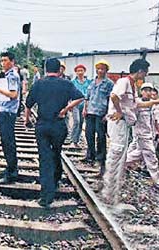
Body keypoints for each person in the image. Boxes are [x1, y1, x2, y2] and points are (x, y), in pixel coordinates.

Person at [101, 59, 159, 206]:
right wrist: (118, 111)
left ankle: (112, 190)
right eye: (146, 71)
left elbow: (138, 104)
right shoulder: (124, 82)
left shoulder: (132, 85)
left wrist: (157, 101)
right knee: (116, 153)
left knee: (122, 155)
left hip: (125, 125)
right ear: (141, 71)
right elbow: (114, 96)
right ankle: (108, 190)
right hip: (119, 122)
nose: (147, 74)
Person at [24, 58, 84, 208]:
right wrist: (65, 110)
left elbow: (28, 104)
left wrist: (27, 119)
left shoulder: (39, 84)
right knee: (56, 153)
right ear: (59, 70)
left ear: (46, 69)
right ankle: (56, 179)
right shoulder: (66, 84)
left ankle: (46, 196)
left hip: (43, 125)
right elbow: (80, 97)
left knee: (45, 158)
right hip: (59, 126)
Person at [0, 52, 20, 184]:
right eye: (2, 61)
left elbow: (13, 94)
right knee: (6, 142)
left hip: (8, 113)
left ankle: (12, 172)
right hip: (4, 111)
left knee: (8, 142)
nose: (3, 63)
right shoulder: (8, 75)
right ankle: (10, 168)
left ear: (12, 62)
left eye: (5, 60)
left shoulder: (12, 75)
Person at [125, 82, 159, 187]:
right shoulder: (137, 103)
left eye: (149, 90)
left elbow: (154, 119)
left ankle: (117, 166)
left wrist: (158, 131)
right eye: (145, 90)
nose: (147, 92)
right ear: (141, 92)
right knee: (152, 159)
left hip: (149, 135)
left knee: (137, 155)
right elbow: (132, 117)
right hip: (141, 135)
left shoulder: (152, 104)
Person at [82, 60, 114, 176]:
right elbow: (87, 97)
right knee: (88, 134)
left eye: (102, 69)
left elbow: (111, 100)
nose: (100, 71)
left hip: (101, 113)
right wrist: (85, 109)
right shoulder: (92, 82)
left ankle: (101, 159)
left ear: (106, 70)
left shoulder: (109, 84)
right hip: (90, 111)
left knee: (101, 136)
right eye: (98, 68)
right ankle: (90, 154)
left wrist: (108, 114)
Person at [70, 64, 91, 147]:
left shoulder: (89, 82)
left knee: (81, 122)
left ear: (84, 71)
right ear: (76, 72)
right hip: (75, 103)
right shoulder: (73, 82)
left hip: (85, 104)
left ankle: (76, 141)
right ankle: (72, 140)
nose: (80, 72)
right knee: (76, 121)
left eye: (81, 70)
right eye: (78, 71)